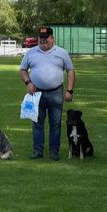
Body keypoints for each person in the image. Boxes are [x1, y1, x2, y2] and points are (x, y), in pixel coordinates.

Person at [19, 27, 75, 161]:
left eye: (46, 38)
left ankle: (54, 152)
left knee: (55, 124)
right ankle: (37, 151)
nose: (43, 41)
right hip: (36, 93)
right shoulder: (31, 52)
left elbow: (71, 70)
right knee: (37, 123)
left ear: (52, 38)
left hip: (56, 92)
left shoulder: (62, 52)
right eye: (41, 38)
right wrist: (28, 83)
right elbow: (22, 70)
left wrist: (69, 90)